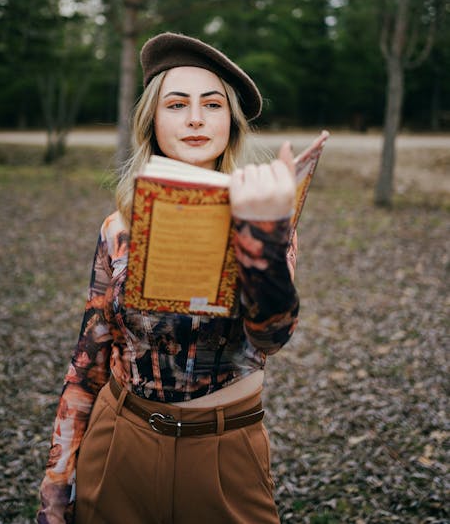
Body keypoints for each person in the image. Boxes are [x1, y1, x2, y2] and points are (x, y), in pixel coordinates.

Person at [37, 32, 299, 524]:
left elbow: (271, 336)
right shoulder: (118, 227)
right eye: (176, 104)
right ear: (152, 121)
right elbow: (89, 358)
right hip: (120, 440)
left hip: (223, 450)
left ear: (231, 123)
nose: (196, 118)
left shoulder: (267, 219)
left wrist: (262, 236)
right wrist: (58, 480)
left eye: (212, 105)